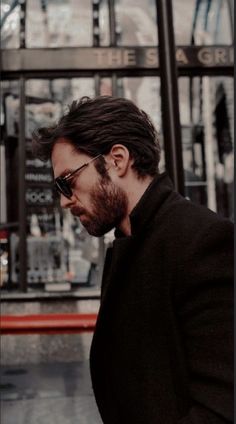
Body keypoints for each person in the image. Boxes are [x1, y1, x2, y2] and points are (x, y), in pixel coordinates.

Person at [32, 96, 233, 424]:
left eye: (67, 182)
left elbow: (222, 406)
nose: (65, 202)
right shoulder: (129, 245)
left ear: (117, 160)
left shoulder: (201, 241)